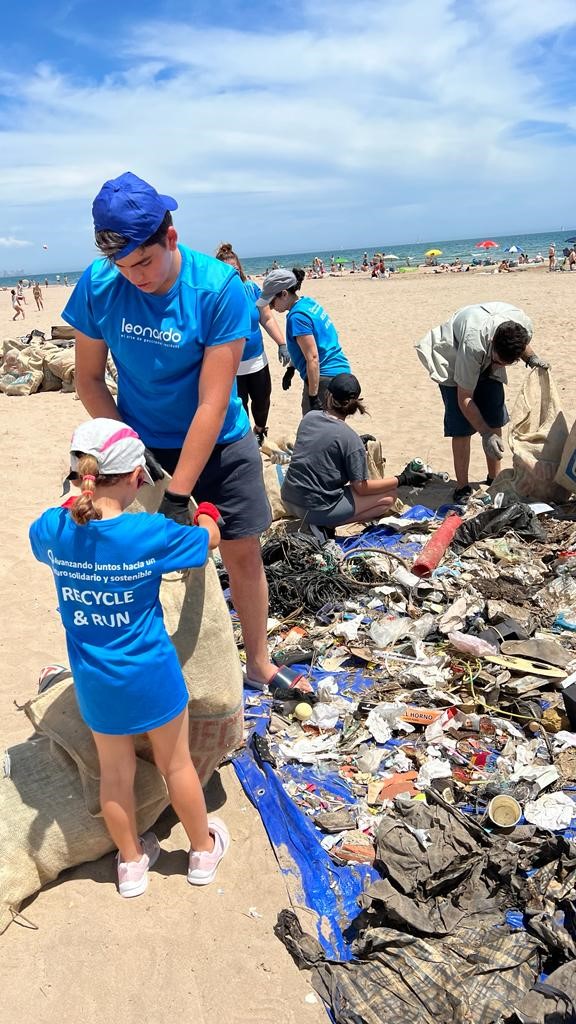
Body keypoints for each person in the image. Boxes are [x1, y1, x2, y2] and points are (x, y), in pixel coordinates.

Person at [62, 171, 290, 694]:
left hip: (221, 442)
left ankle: (258, 660)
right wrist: (126, 451)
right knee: (134, 558)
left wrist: (179, 492)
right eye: (121, 265)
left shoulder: (218, 289)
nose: (133, 276)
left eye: (143, 261)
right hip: (138, 443)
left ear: (170, 237)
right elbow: (89, 381)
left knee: (240, 552)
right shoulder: (99, 285)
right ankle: (158, 666)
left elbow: (213, 400)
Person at [29, 418, 229, 897]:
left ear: (80, 473)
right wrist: (205, 513)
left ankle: (132, 862)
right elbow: (208, 543)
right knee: (176, 764)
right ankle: (201, 851)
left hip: (97, 682)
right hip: (153, 675)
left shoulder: (55, 529)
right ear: (138, 476)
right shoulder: (149, 532)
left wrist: (74, 496)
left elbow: (46, 531)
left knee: (113, 773)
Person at [416, 303, 549, 502]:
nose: (499, 366)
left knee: (494, 417)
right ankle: (462, 487)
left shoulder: (523, 324)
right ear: (493, 341)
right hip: (452, 355)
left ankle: (494, 480)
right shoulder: (473, 344)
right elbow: (464, 397)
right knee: (461, 427)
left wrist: (531, 358)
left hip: (487, 351)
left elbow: (521, 345)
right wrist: (485, 434)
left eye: (505, 364)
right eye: (498, 361)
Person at [281, 374, 430, 527]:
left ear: (328, 396)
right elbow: (361, 488)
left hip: (288, 498)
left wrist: (355, 443)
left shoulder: (309, 417)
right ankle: (328, 524)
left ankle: (327, 519)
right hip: (315, 509)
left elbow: (323, 444)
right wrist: (403, 479)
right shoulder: (349, 438)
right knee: (388, 498)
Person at [215, 242, 288, 446]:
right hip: (231, 365)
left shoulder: (251, 290)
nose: (233, 273)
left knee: (262, 401)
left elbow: (266, 318)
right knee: (240, 405)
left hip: (257, 361)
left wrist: (282, 343)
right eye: (228, 270)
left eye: (236, 269)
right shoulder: (215, 296)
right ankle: (246, 437)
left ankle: (260, 429)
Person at [256, 267, 351, 415]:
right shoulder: (308, 303)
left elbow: (312, 358)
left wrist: (313, 397)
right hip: (341, 371)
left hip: (324, 378)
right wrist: (291, 369)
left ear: (284, 294)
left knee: (314, 426)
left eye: (272, 302)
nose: (272, 308)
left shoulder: (297, 318)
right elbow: (309, 345)